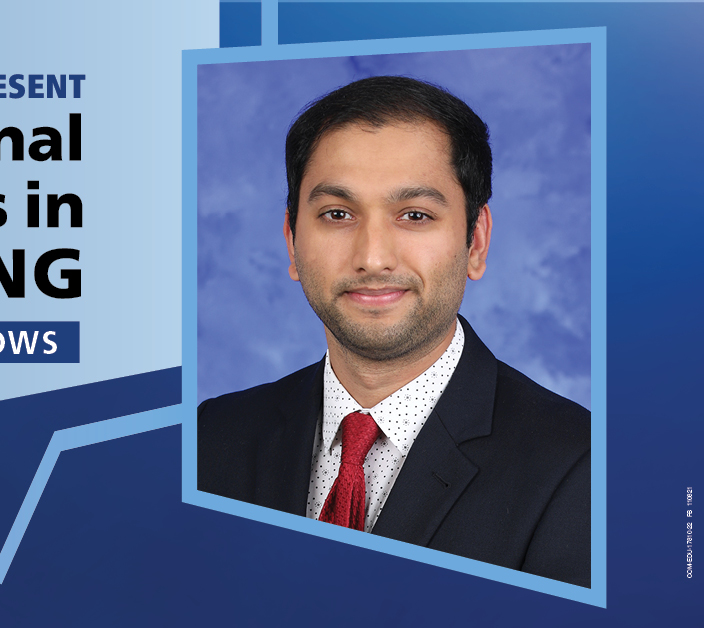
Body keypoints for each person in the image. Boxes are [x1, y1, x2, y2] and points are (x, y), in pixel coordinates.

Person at [196, 76, 591, 588]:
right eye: (337, 214)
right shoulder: (209, 440)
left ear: (475, 241)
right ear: (292, 242)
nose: (373, 258)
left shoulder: (582, 467)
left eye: (414, 215)